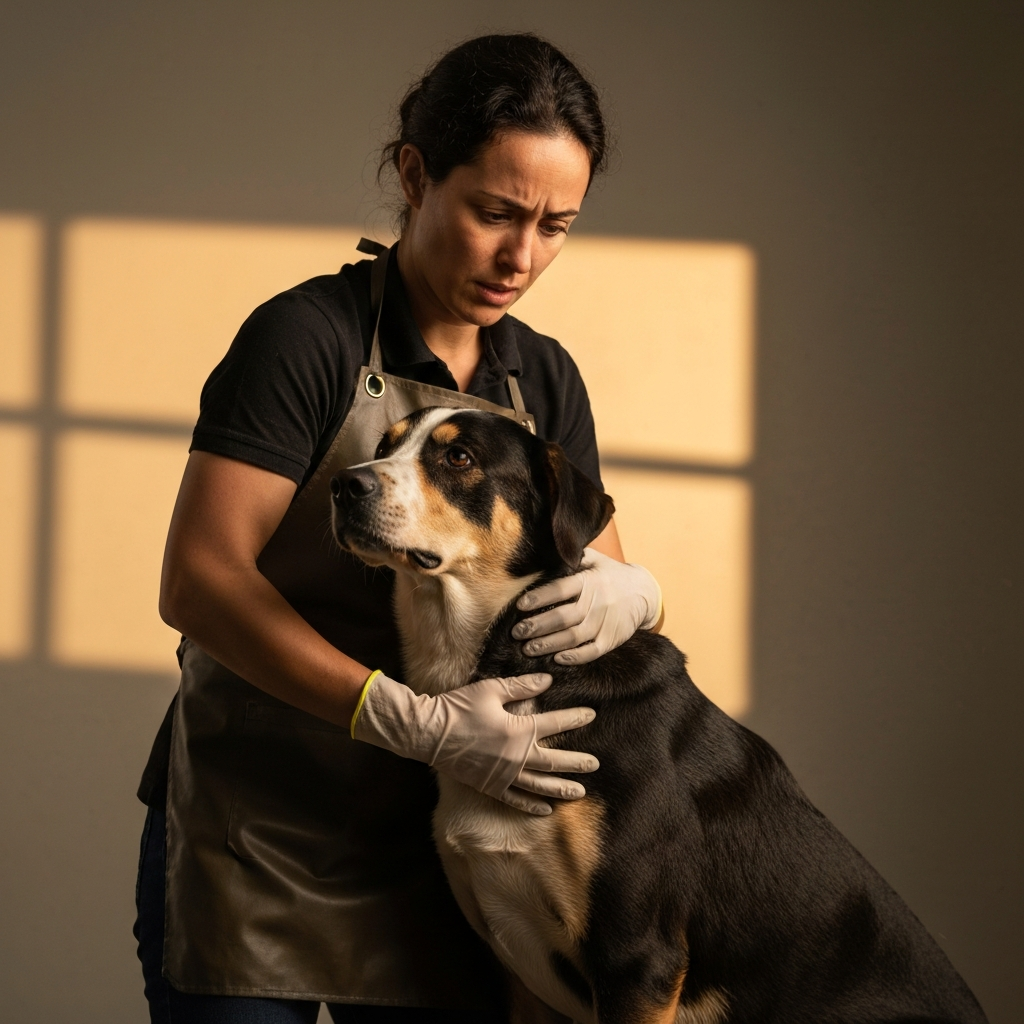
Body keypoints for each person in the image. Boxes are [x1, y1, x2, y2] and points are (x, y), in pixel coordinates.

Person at [134, 32, 663, 1024]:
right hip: (260, 833)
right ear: (416, 177)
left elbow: (589, 590)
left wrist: (634, 591)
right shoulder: (306, 339)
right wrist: (410, 719)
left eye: (556, 225)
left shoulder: (540, 379)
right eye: (496, 212)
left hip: (440, 854)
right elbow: (200, 582)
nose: (522, 255)